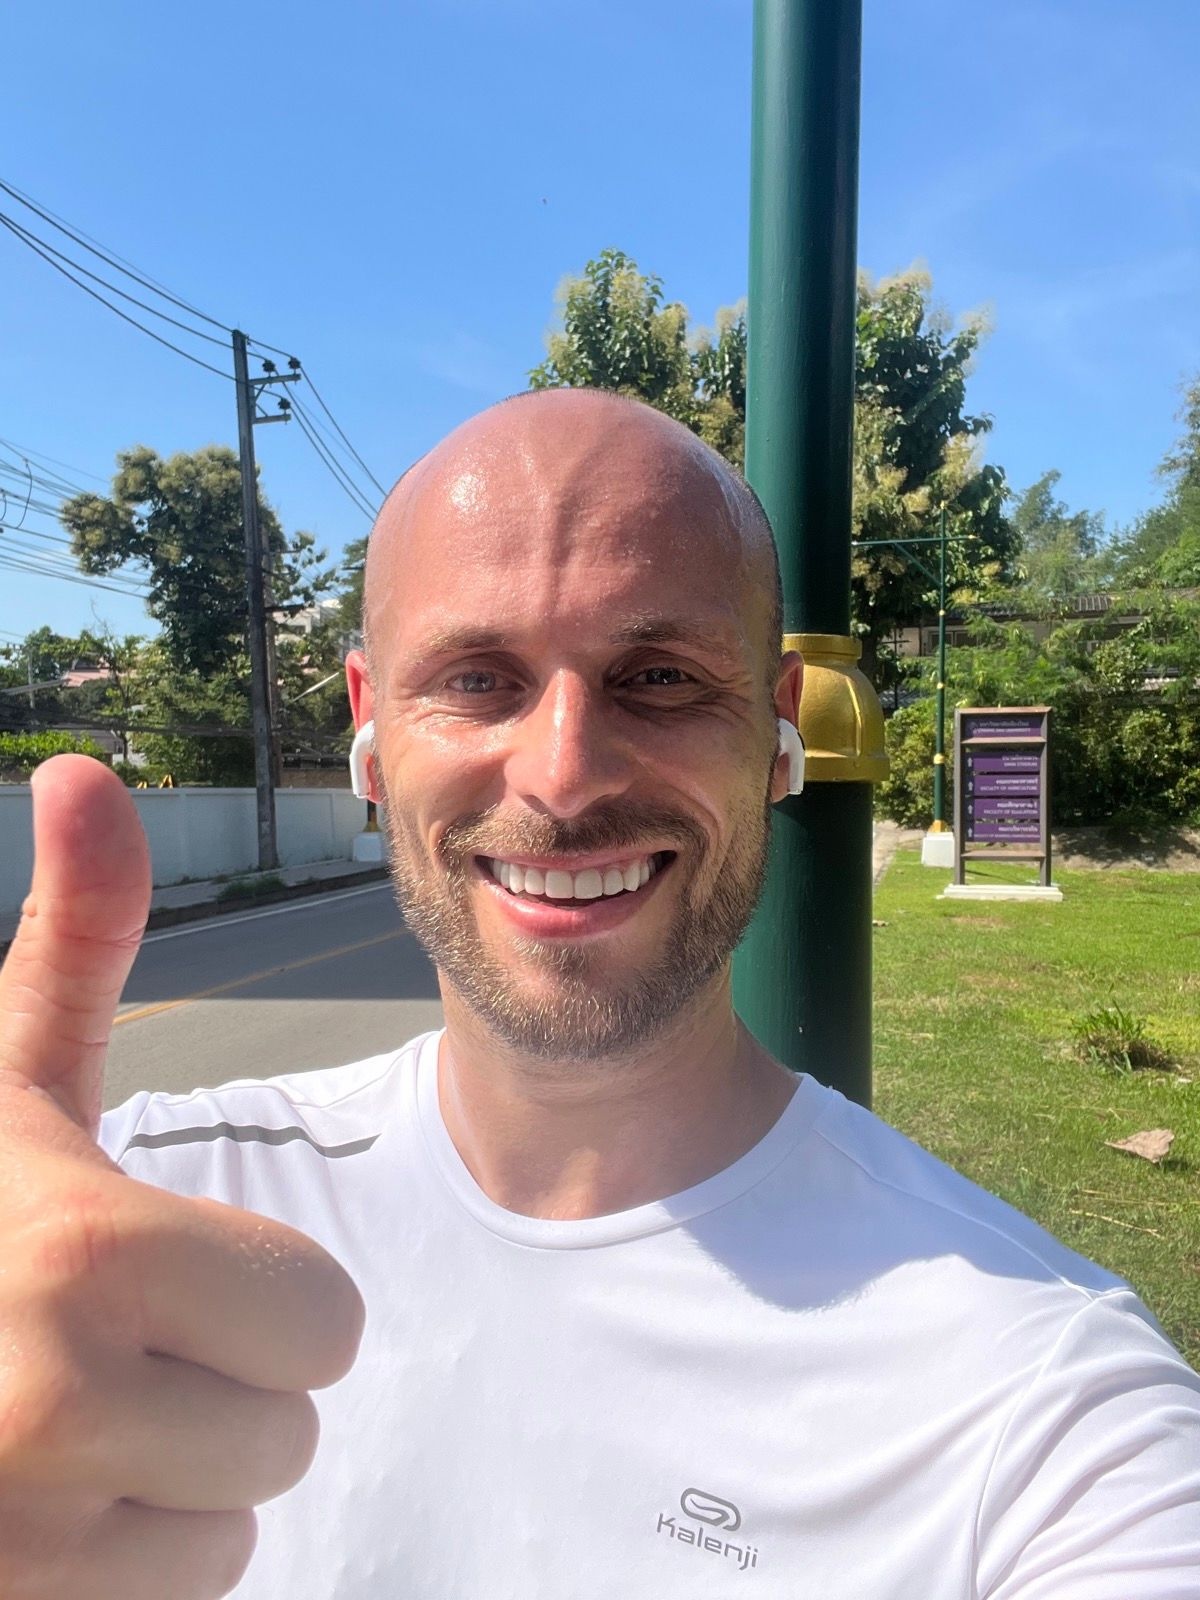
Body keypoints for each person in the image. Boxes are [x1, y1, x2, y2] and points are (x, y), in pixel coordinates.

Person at [0, 389, 1197, 1600]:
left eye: (661, 676)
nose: (564, 776)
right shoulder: (107, 1227)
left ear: (778, 733)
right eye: (477, 678)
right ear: (371, 728)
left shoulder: (1038, 1402)